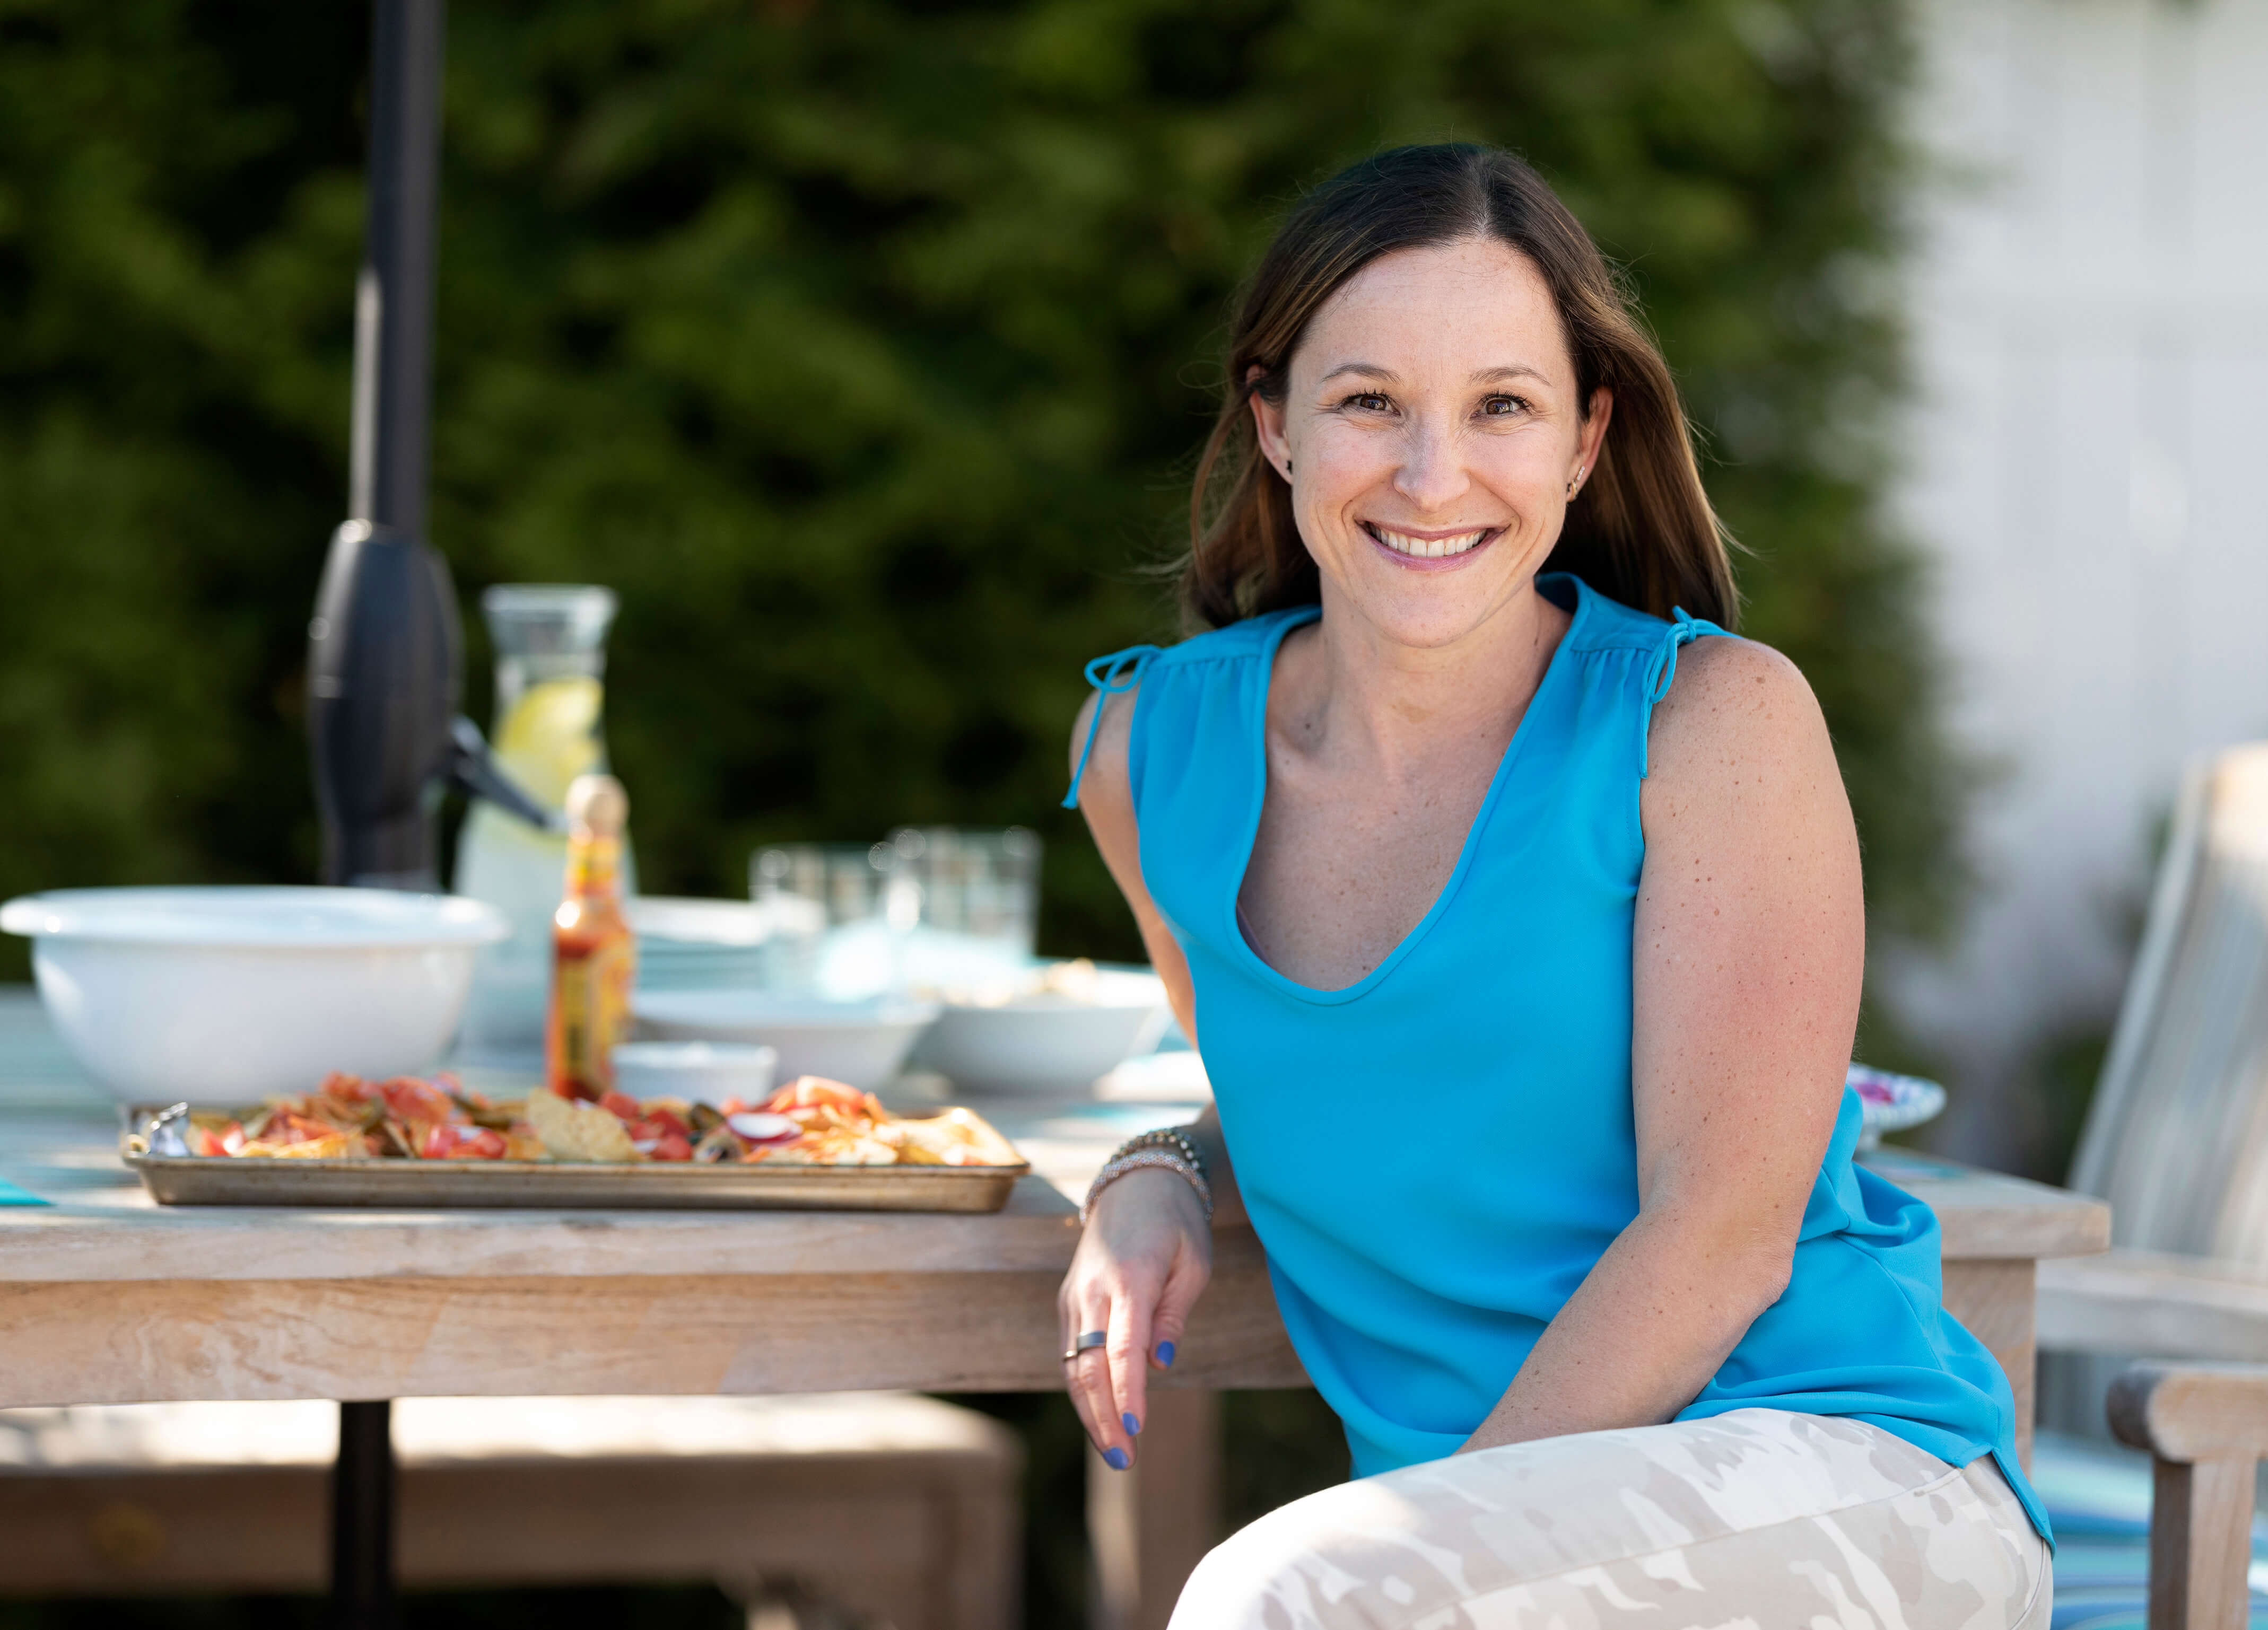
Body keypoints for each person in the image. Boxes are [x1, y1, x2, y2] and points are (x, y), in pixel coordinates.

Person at [1058, 144, 2051, 1629]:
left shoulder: (1709, 726)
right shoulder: (1152, 754)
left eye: (1501, 407)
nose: (1431, 474)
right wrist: (1156, 1175)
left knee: (1283, 1590)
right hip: (1474, 1555)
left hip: (1839, 1477)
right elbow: (1327, 1086)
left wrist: (1431, 1554)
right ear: (1273, 424)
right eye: (1368, 401)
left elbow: (1719, 1236)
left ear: (1585, 440)